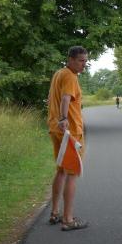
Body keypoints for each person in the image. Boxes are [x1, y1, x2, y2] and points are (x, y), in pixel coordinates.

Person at [47, 46, 89, 231]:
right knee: (72, 173)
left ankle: (55, 212)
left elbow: (52, 99)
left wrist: (58, 120)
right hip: (70, 131)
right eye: (81, 61)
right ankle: (68, 219)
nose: (84, 64)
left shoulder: (59, 74)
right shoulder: (71, 76)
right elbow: (65, 99)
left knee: (61, 171)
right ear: (70, 59)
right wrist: (64, 118)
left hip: (56, 129)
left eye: (85, 61)